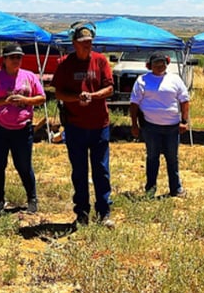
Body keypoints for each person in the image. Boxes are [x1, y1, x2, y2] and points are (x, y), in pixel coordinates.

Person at [51, 22, 114, 227]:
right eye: (83, 43)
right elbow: (58, 93)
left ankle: (104, 211)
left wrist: (93, 96)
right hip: (75, 126)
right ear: (74, 43)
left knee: (101, 170)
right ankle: (82, 212)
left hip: (99, 125)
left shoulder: (101, 61)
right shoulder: (65, 64)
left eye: (89, 42)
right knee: (79, 171)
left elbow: (110, 88)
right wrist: (76, 98)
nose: (87, 46)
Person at [0, 44, 46, 213]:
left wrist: (26, 100)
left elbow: (41, 98)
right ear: (5, 59)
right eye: (12, 57)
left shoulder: (29, 76)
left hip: (22, 129)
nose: (16, 60)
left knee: (23, 165)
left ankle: (32, 199)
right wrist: (5, 101)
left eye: (19, 57)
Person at [129, 52, 191, 198]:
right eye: (156, 63)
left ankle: (176, 189)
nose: (159, 66)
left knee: (172, 158)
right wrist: (134, 125)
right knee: (152, 158)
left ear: (167, 63)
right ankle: (150, 189)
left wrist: (184, 121)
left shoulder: (175, 79)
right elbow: (134, 104)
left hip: (172, 127)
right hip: (151, 127)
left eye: (162, 63)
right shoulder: (142, 80)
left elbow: (184, 101)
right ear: (149, 66)